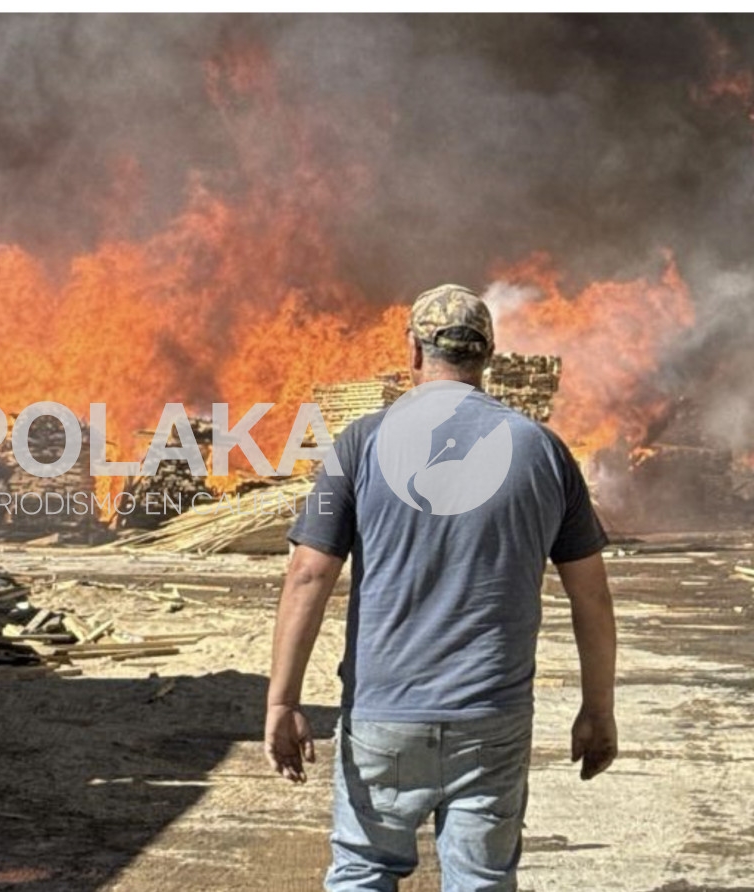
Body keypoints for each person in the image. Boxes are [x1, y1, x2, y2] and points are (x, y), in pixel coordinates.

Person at [265, 285, 618, 891]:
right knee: (481, 880)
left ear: (413, 349)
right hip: (492, 715)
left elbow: (308, 573)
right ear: (488, 355)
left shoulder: (356, 445)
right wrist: (598, 707)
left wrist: (282, 701)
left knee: (363, 872)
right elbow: (591, 594)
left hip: (384, 714)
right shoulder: (544, 450)